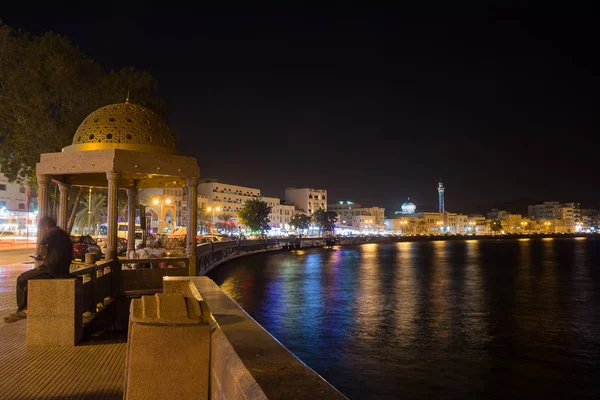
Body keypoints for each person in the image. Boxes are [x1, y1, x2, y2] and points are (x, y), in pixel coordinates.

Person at [3, 216, 73, 323]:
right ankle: (26, 307)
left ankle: (23, 310)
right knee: (28, 281)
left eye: (41, 228)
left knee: (21, 279)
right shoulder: (64, 234)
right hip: (64, 269)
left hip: (51, 270)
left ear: (45, 226)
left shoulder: (51, 234)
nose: (41, 231)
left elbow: (43, 248)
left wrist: (41, 255)